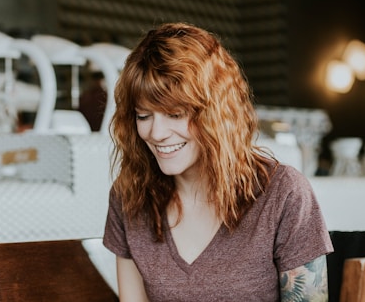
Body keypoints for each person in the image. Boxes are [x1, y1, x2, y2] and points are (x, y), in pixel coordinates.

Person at [102, 22, 333, 301]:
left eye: (175, 114)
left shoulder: (284, 194)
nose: (157, 133)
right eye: (143, 116)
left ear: (215, 113)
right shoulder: (129, 197)